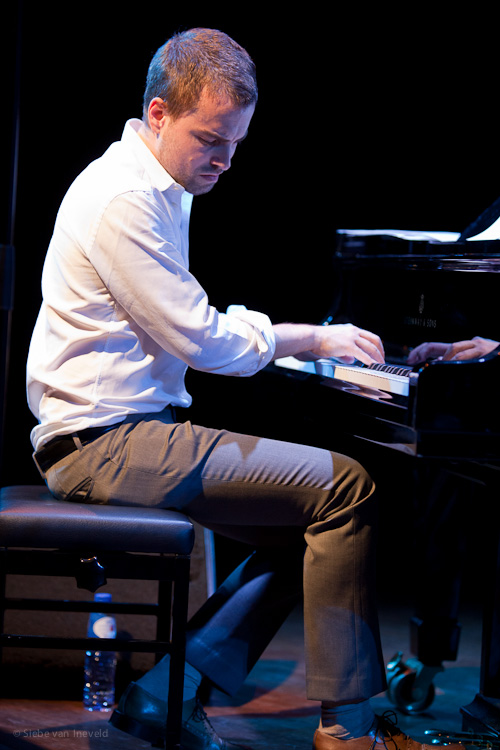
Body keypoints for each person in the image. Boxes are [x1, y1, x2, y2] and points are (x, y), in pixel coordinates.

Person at [26, 28, 463, 750]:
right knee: (344, 490)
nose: (225, 160)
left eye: (236, 143)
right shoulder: (126, 199)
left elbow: (193, 328)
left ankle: (164, 694)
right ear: (160, 114)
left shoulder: (158, 186)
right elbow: (201, 340)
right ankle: (350, 731)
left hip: (133, 433)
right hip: (105, 445)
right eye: (211, 138)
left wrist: (297, 344)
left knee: (320, 526)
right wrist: (310, 338)